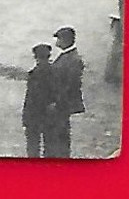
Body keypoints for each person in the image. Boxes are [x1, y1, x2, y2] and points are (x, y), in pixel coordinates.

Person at [46, 26, 85, 157]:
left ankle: (61, 157)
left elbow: (69, 85)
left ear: (65, 40)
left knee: (60, 132)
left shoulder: (72, 60)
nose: (57, 42)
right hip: (61, 103)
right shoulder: (67, 57)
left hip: (62, 103)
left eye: (59, 39)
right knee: (59, 131)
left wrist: (57, 102)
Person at [22, 42, 56, 157]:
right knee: (49, 144)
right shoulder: (54, 72)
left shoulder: (35, 73)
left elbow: (31, 97)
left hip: (34, 114)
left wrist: (25, 116)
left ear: (36, 57)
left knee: (33, 146)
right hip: (48, 115)